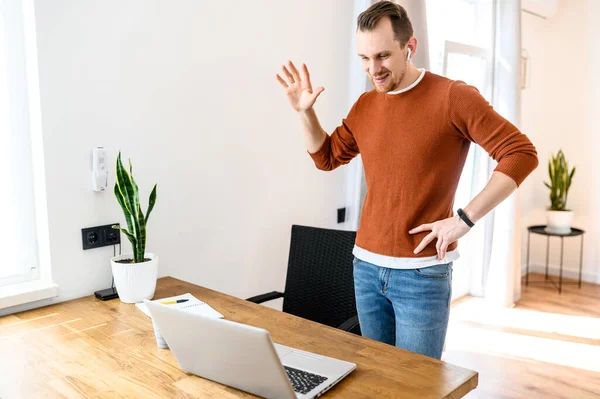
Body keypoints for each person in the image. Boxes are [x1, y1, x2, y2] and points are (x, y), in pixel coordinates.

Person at [275, 1, 538, 360]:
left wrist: (463, 219)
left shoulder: (453, 97)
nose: (373, 69)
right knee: (377, 379)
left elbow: (520, 153)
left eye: (382, 56)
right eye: (365, 59)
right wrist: (306, 113)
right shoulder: (365, 105)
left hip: (421, 276)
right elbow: (326, 157)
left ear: (409, 47)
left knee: (418, 386)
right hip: (365, 268)